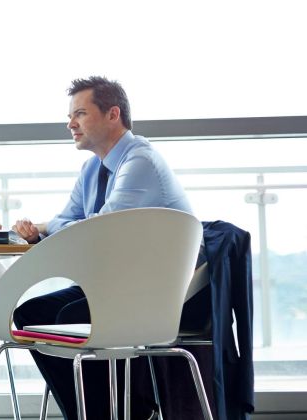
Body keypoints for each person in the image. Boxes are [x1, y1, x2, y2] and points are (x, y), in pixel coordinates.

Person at [12, 76, 193, 419]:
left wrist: (52, 228)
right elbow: (68, 222)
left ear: (113, 114)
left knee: (70, 318)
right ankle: (104, 414)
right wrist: (44, 230)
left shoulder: (139, 162)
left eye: (80, 113)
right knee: (30, 316)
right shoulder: (92, 167)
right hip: (111, 287)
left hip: (155, 295)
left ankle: (126, 412)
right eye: (70, 115)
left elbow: (96, 232)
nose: (71, 124)